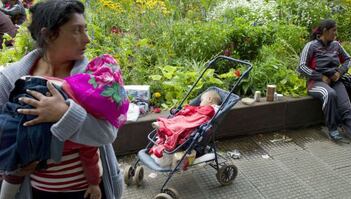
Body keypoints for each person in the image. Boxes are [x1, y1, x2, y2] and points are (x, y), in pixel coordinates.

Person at [0, 1, 123, 198]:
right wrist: (13, 164)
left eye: (86, 30)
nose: (87, 39)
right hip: (38, 191)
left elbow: (107, 134)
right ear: (48, 35)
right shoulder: (11, 79)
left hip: (87, 189)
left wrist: (64, 113)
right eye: (77, 31)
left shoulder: (91, 78)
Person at [297, 19, 351, 148]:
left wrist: (339, 72)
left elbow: (349, 60)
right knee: (330, 94)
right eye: (334, 31)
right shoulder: (311, 45)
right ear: (325, 31)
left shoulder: (336, 45)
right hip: (315, 83)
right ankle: (332, 129)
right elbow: (301, 66)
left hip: (335, 81)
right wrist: (320, 77)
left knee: (346, 107)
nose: (335, 33)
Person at [150, 90, 221, 158]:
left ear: (209, 99)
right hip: (192, 118)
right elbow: (195, 111)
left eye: (202, 100)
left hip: (195, 122)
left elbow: (199, 112)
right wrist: (184, 111)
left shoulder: (211, 109)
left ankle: (165, 127)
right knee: (179, 119)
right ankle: (164, 126)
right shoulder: (210, 109)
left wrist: (189, 110)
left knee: (181, 124)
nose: (200, 103)